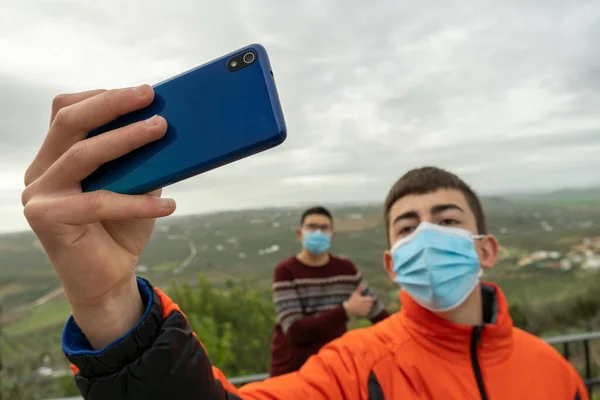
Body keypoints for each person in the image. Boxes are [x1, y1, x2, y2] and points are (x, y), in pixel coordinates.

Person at [22, 85, 589, 399]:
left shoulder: (556, 375)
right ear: (393, 261)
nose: (428, 236)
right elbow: (291, 338)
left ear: (486, 250)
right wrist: (111, 305)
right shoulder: (353, 368)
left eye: (447, 220)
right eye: (409, 227)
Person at [269, 206, 389, 376]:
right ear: (300, 233)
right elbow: (295, 331)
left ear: (332, 235)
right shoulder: (286, 271)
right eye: (311, 227)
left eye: (324, 228)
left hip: (332, 369)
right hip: (292, 372)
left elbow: (377, 313)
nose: (318, 232)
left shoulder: (346, 270)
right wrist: (345, 311)